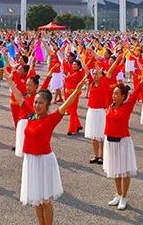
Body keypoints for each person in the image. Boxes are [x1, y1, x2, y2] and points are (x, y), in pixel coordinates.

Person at [18, 76, 85, 225]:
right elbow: (19, 98)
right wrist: (8, 79)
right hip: (30, 161)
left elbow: (66, 105)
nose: (37, 105)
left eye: (41, 103)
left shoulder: (51, 119)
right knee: (36, 199)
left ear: (48, 105)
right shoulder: (31, 116)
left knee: (45, 200)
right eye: (36, 102)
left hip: (44, 161)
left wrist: (77, 90)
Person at [102, 70, 143, 210]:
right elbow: (104, 85)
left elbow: (136, 93)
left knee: (124, 170)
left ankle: (124, 196)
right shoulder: (110, 105)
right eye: (113, 93)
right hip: (110, 141)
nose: (113, 96)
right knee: (115, 169)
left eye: (116, 94)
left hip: (123, 142)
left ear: (123, 96)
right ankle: (118, 194)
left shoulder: (127, 106)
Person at [83, 55, 119, 164]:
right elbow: (86, 69)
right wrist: (80, 57)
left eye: (96, 74)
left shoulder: (104, 82)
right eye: (93, 74)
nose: (94, 75)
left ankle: (102, 156)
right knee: (94, 136)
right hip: (92, 111)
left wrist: (116, 60)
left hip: (101, 111)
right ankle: (96, 156)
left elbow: (106, 71)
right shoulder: (91, 83)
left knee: (102, 135)